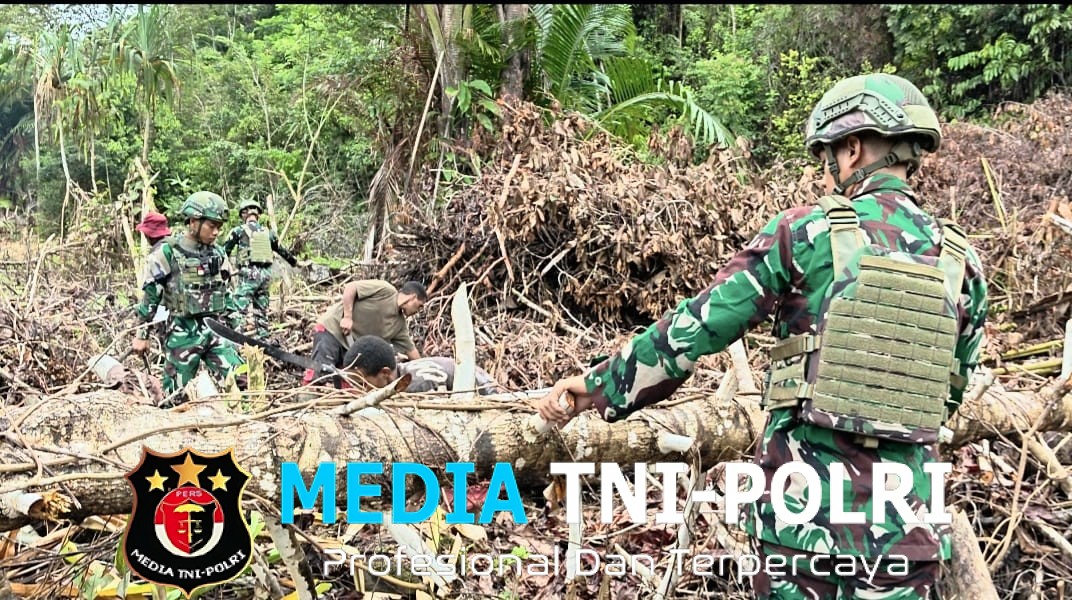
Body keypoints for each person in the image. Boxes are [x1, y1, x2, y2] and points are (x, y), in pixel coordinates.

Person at [533, 73, 989, 599]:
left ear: (853, 148)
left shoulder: (806, 232)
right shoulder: (961, 261)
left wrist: (595, 387)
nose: (826, 173)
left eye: (828, 157)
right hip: (907, 533)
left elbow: (697, 327)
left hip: (805, 524)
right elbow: (947, 395)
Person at [131, 191, 246, 403]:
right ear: (193, 221)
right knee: (175, 396)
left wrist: (237, 334)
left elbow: (227, 294)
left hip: (215, 330)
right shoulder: (166, 253)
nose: (216, 232)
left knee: (241, 380)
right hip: (181, 333)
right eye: (212, 226)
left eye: (219, 227)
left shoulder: (218, 254)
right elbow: (150, 298)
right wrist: (142, 335)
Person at [301, 279, 427, 387]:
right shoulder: (386, 290)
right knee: (320, 374)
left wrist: (426, 368)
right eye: (420, 306)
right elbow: (351, 287)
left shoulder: (399, 325)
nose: (419, 311)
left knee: (344, 382)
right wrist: (348, 316)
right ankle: (306, 402)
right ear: (412, 297)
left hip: (351, 349)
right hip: (332, 330)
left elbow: (411, 351)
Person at [221, 197, 300, 341]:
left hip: (249, 275)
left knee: (239, 306)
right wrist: (295, 263)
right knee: (261, 309)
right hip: (265, 276)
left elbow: (223, 251)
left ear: (244, 214)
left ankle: (236, 338)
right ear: (257, 214)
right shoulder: (268, 232)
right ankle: (263, 338)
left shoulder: (238, 231)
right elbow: (282, 251)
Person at [341, 335, 502, 394]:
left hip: (490, 396)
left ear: (385, 373)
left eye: (362, 383)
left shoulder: (417, 387)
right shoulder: (404, 372)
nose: (359, 389)